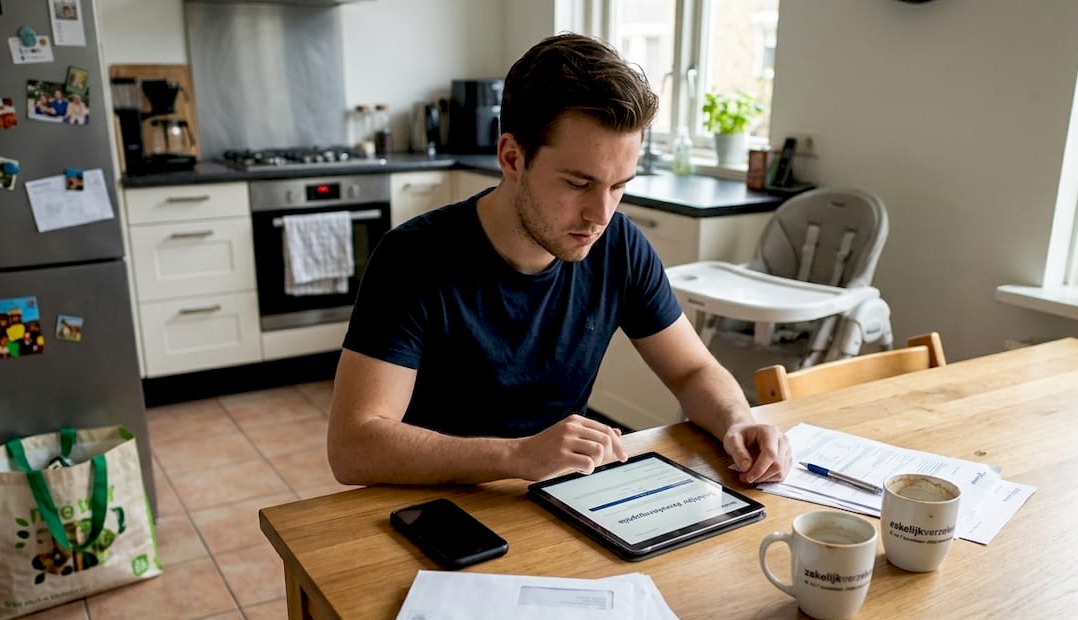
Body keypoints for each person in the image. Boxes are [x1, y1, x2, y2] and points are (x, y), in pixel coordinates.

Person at [327, 32, 792, 487]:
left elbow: (693, 371)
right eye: (577, 183)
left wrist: (737, 420)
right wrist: (516, 455)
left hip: (561, 496)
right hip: (439, 507)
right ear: (512, 157)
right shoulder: (413, 258)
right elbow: (353, 447)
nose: (600, 215)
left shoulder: (621, 248)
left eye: (618, 186)